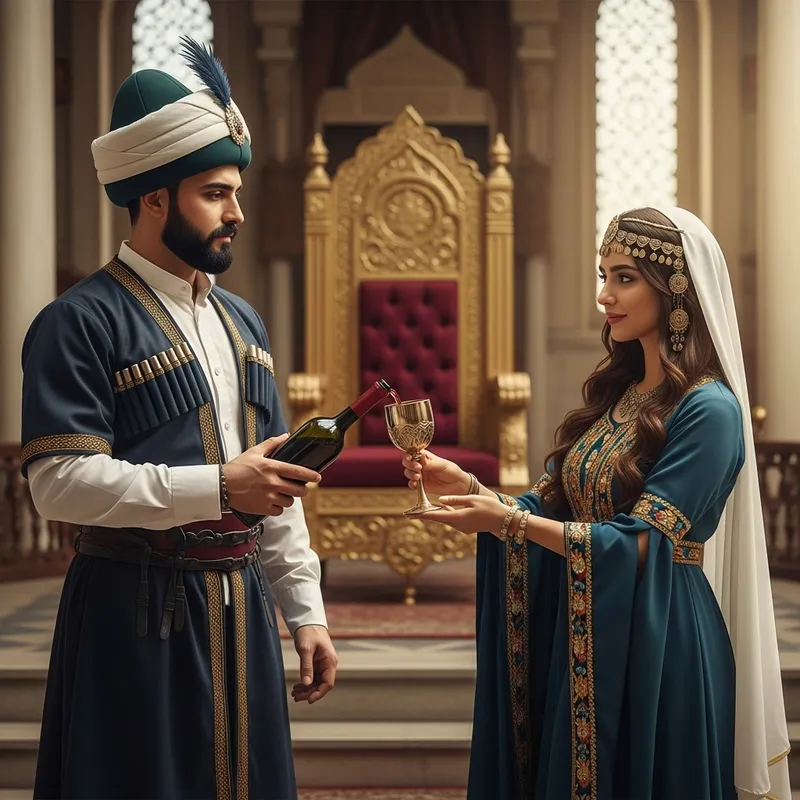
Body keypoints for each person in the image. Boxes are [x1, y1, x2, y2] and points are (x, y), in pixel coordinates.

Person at [21, 38, 337, 799]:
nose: (236, 212)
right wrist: (219, 486)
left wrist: (306, 612)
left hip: (242, 608)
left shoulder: (245, 324)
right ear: (153, 197)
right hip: (132, 617)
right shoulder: (78, 322)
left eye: (236, 192)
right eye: (214, 193)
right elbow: (58, 485)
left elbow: (276, 481)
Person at [403, 207, 790, 799]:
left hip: (661, 639)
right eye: (602, 274)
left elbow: (642, 542)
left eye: (624, 277)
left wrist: (507, 521)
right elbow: (561, 505)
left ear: (675, 288)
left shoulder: (710, 411)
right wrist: (473, 490)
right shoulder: (623, 393)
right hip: (586, 622)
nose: (604, 294)